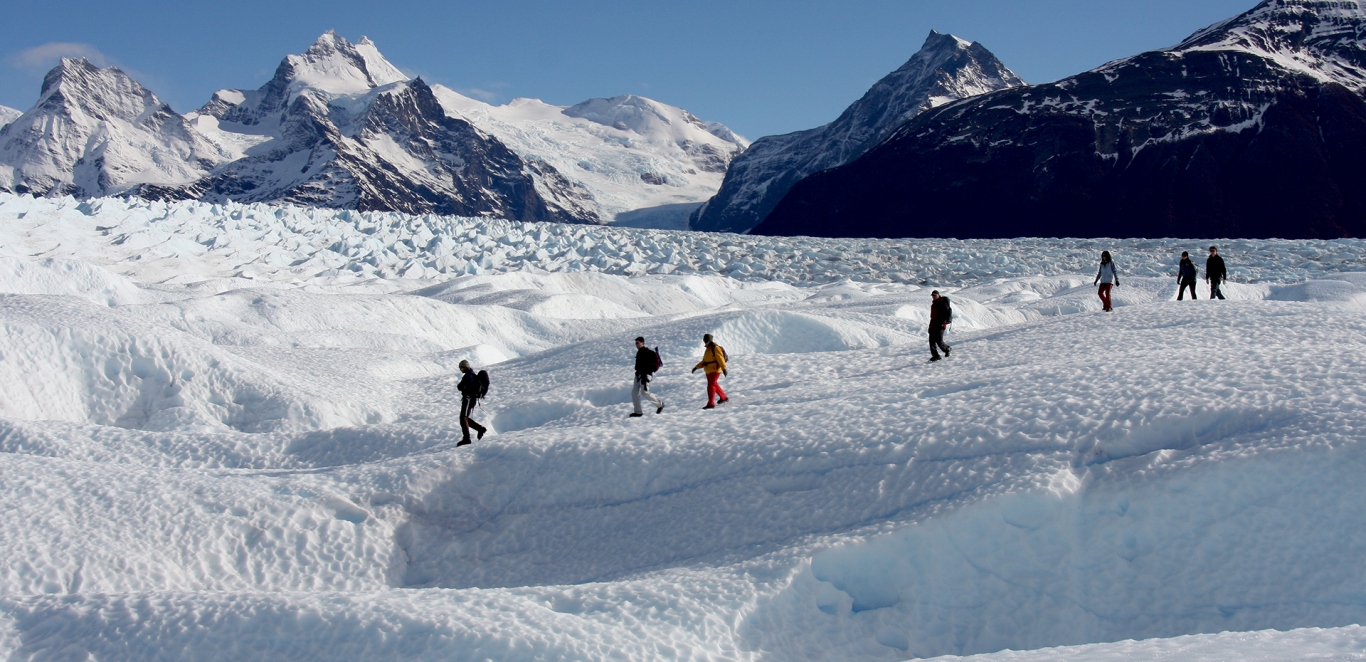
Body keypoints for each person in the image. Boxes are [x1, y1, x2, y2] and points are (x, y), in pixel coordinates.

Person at [691, 333, 729, 409]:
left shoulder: (715, 348)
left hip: (715, 370)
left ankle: (711, 403)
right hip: (709, 370)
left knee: (711, 386)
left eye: (706, 341)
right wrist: (696, 367)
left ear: (710, 340)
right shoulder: (708, 349)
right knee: (714, 384)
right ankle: (724, 397)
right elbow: (704, 361)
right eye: (704, 341)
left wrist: (724, 368)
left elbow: (720, 359)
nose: (705, 342)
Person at [631, 337, 665, 417]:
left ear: (643, 343)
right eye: (636, 343)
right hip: (638, 375)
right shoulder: (639, 353)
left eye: (638, 343)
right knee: (634, 393)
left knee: (645, 393)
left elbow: (653, 366)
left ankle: (660, 405)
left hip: (645, 376)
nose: (636, 345)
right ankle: (638, 412)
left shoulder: (648, 353)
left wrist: (645, 373)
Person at [456, 359, 487, 445]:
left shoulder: (468, 376)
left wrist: (461, 386)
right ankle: (480, 429)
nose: (460, 369)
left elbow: (460, 387)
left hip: (468, 399)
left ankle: (467, 439)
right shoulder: (472, 374)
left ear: (465, 367)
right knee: (464, 418)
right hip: (471, 400)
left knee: (463, 418)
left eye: (461, 367)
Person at [928, 290, 952, 362]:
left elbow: (947, 312)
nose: (933, 296)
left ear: (938, 295)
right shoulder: (934, 304)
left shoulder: (942, 302)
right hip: (933, 323)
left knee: (939, 340)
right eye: (932, 295)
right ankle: (936, 356)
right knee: (931, 340)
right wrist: (930, 326)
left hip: (940, 323)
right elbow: (932, 317)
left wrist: (944, 322)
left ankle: (947, 349)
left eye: (935, 295)